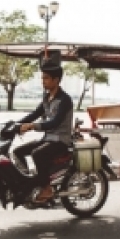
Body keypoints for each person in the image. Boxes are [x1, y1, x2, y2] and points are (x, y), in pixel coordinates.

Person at [14, 66, 74, 202]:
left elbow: (55, 122)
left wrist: (32, 126)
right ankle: (30, 183)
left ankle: (46, 188)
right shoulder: (47, 97)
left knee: (37, 154)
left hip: (60, 141)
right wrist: (15, 124)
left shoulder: (65, 100)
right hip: (48, 139)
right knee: (18, 152)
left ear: (56, 80)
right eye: (42, 78)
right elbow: (35, 114)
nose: (43, 81)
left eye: (46, 78)